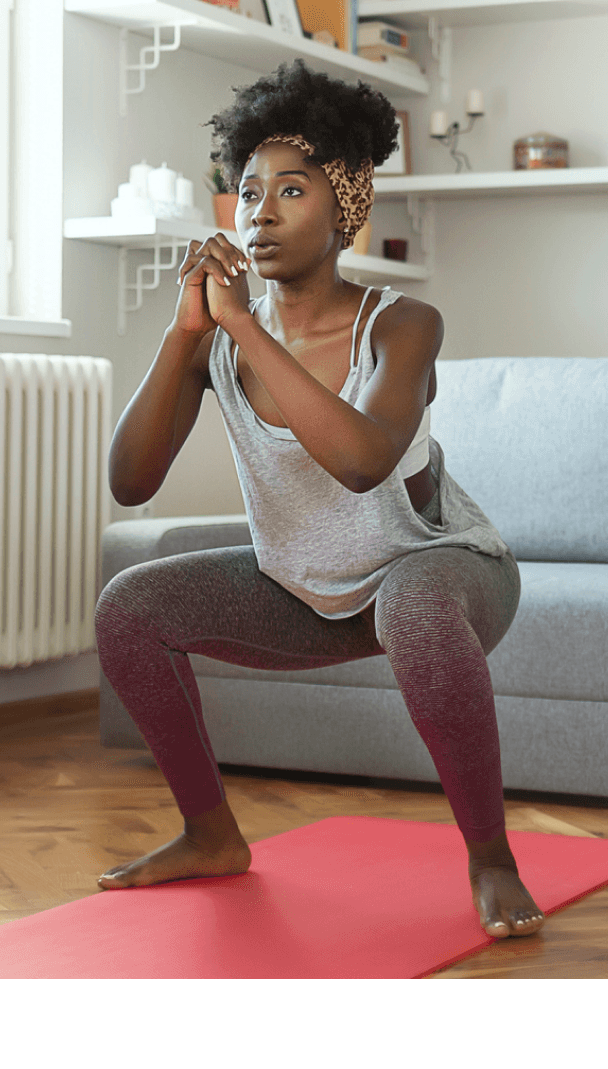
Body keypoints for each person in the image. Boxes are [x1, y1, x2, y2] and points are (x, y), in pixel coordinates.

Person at [92, 59, 543, 938]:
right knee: (128, 609)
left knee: (413, 607)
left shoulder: (401, 325)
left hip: (439, 572)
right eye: (248, 191)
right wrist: (185, 335)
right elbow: (129, 481)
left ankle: (492, 858)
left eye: (291, 190)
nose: (259, 211)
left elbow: (363, 461)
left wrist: (242, 324)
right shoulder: (218, 340)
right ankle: (209, 834)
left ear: (345, 210)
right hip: (305, 589)